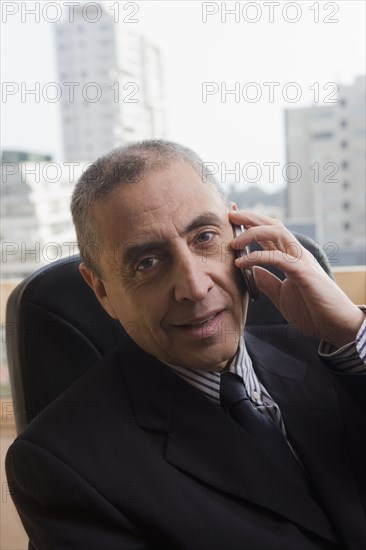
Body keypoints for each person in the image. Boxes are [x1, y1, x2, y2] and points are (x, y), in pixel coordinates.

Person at [6, 140, 366, 550]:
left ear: (239, 234)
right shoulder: (61, 467)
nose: (194, 287)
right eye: (147, 262)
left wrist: (354, 331)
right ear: (102, 291)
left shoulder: (335, 351)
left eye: (205, 237)